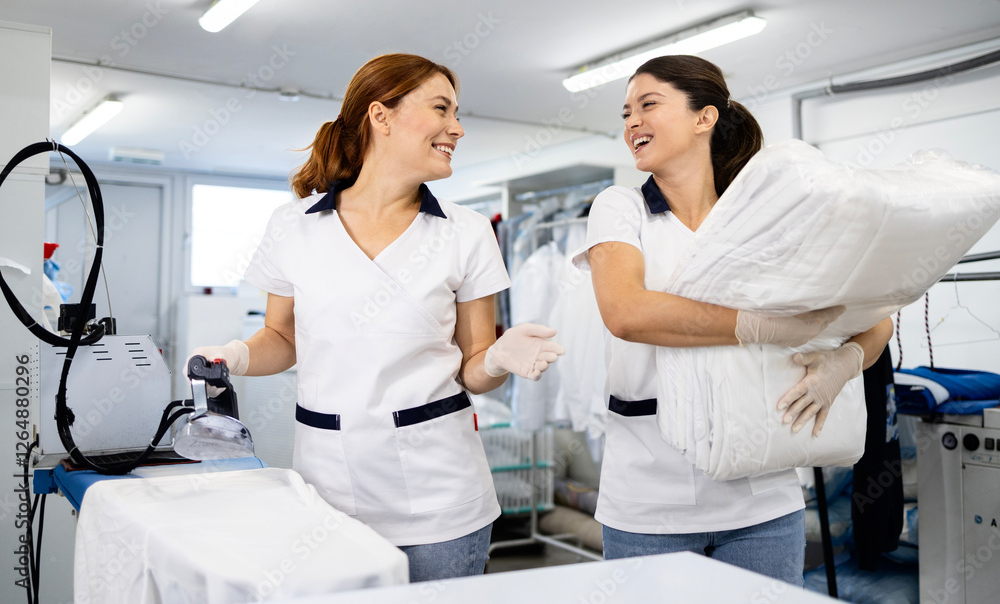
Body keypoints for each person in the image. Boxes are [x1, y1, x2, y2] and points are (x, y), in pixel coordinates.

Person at [189, 53, 564, 582]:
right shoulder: (293, 226)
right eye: (442, 109)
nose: (457, 128)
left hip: (442, 496)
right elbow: (281, 336)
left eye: (458, 114)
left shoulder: (467, 232)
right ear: (380, 116)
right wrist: (235, 356)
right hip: (329, 490)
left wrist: (498, 357)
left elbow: (473, 367)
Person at [572, 55, 893, 585]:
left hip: (762, 499)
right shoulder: (621, 207)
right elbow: (628, 313)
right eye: (625, 112)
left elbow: (874, 312)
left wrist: (848, 359)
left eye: (648, 105)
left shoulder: (764, 220)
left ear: (705, 117)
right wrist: (760, 327)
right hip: (650, 502)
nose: (631, 122)